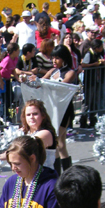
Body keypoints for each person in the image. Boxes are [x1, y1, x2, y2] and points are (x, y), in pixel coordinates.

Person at [41, 44, 78, 173]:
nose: (54, 61)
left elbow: (61, 86)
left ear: (64, 58)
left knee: (55, 142)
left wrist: (45, 83)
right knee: (61, 145)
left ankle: (57, 176)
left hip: (64, 111)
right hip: (52, 110)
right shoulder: (52, 71)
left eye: (57, 58)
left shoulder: (70, 72)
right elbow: (40, 82)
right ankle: (69, 174)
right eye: (53, 58)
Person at [19, 99, 56, 168]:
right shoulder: (25, 133)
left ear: (43, 115)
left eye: (35, 114)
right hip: (28, 176)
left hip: (44, 176)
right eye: (28, 115)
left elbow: (25, 148)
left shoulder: (46, 133)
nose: (31, 117)